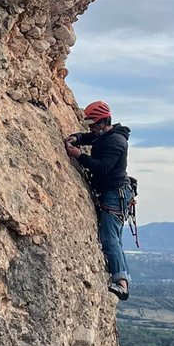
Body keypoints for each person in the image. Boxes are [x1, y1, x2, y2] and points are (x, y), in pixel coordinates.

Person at [65, 100, 133, 300]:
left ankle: (121, 283)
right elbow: (91, 138)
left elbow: (103, 168)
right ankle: (122, 279)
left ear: (104, 121)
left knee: (109, 238)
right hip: (115, 192)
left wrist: (79, 156)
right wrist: (77, 138)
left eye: (95, 124)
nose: (92, 128)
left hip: (115, 193)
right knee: (115, 240)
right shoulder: (106, 136)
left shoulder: (116, 141)